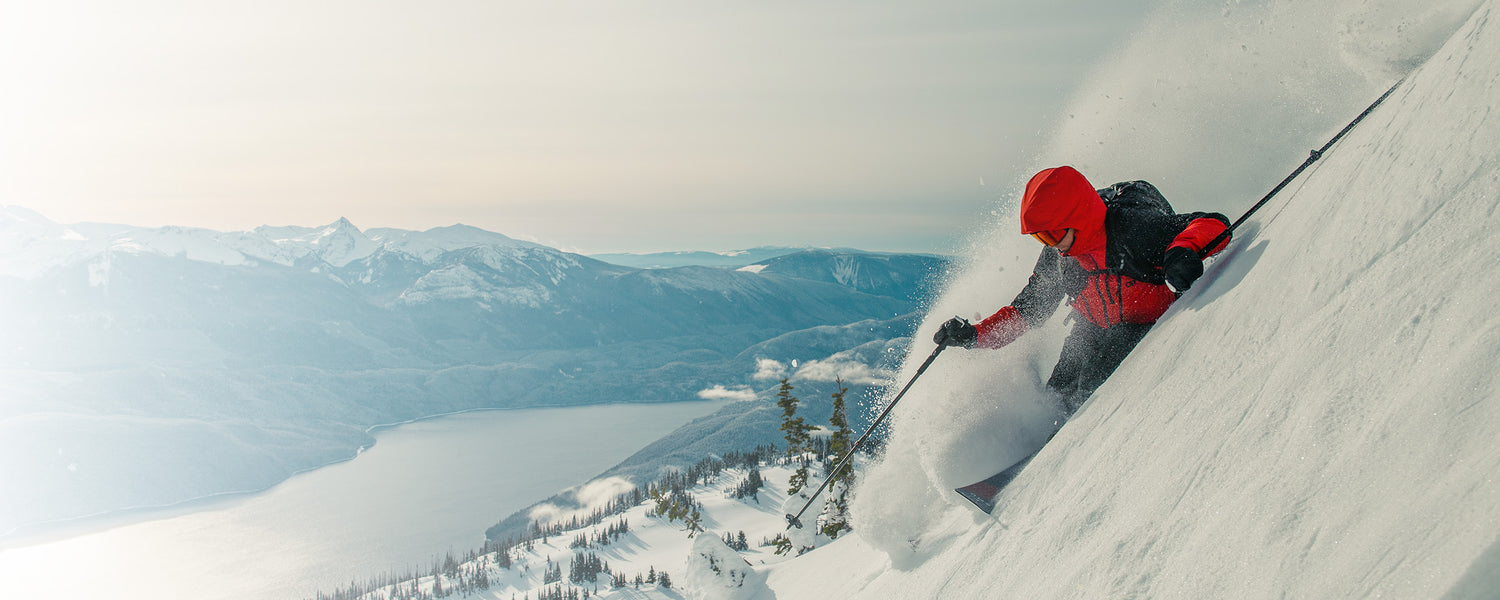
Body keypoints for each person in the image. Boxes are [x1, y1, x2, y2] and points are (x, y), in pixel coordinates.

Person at [933, 166, 1230, 414]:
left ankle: (1081, 446)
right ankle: (1053, 445)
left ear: (1076, 219)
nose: (1050, 245)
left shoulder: (1134, 230)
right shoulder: (1060, 257)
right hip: (1091, 327)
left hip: (1146, 324)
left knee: (1092, 388)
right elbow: (1027, 312)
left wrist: (1183, 251)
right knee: (1056, 395)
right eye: (1040, 237)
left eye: (1052, 234)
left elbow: (1213, 224)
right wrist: (975, 335)